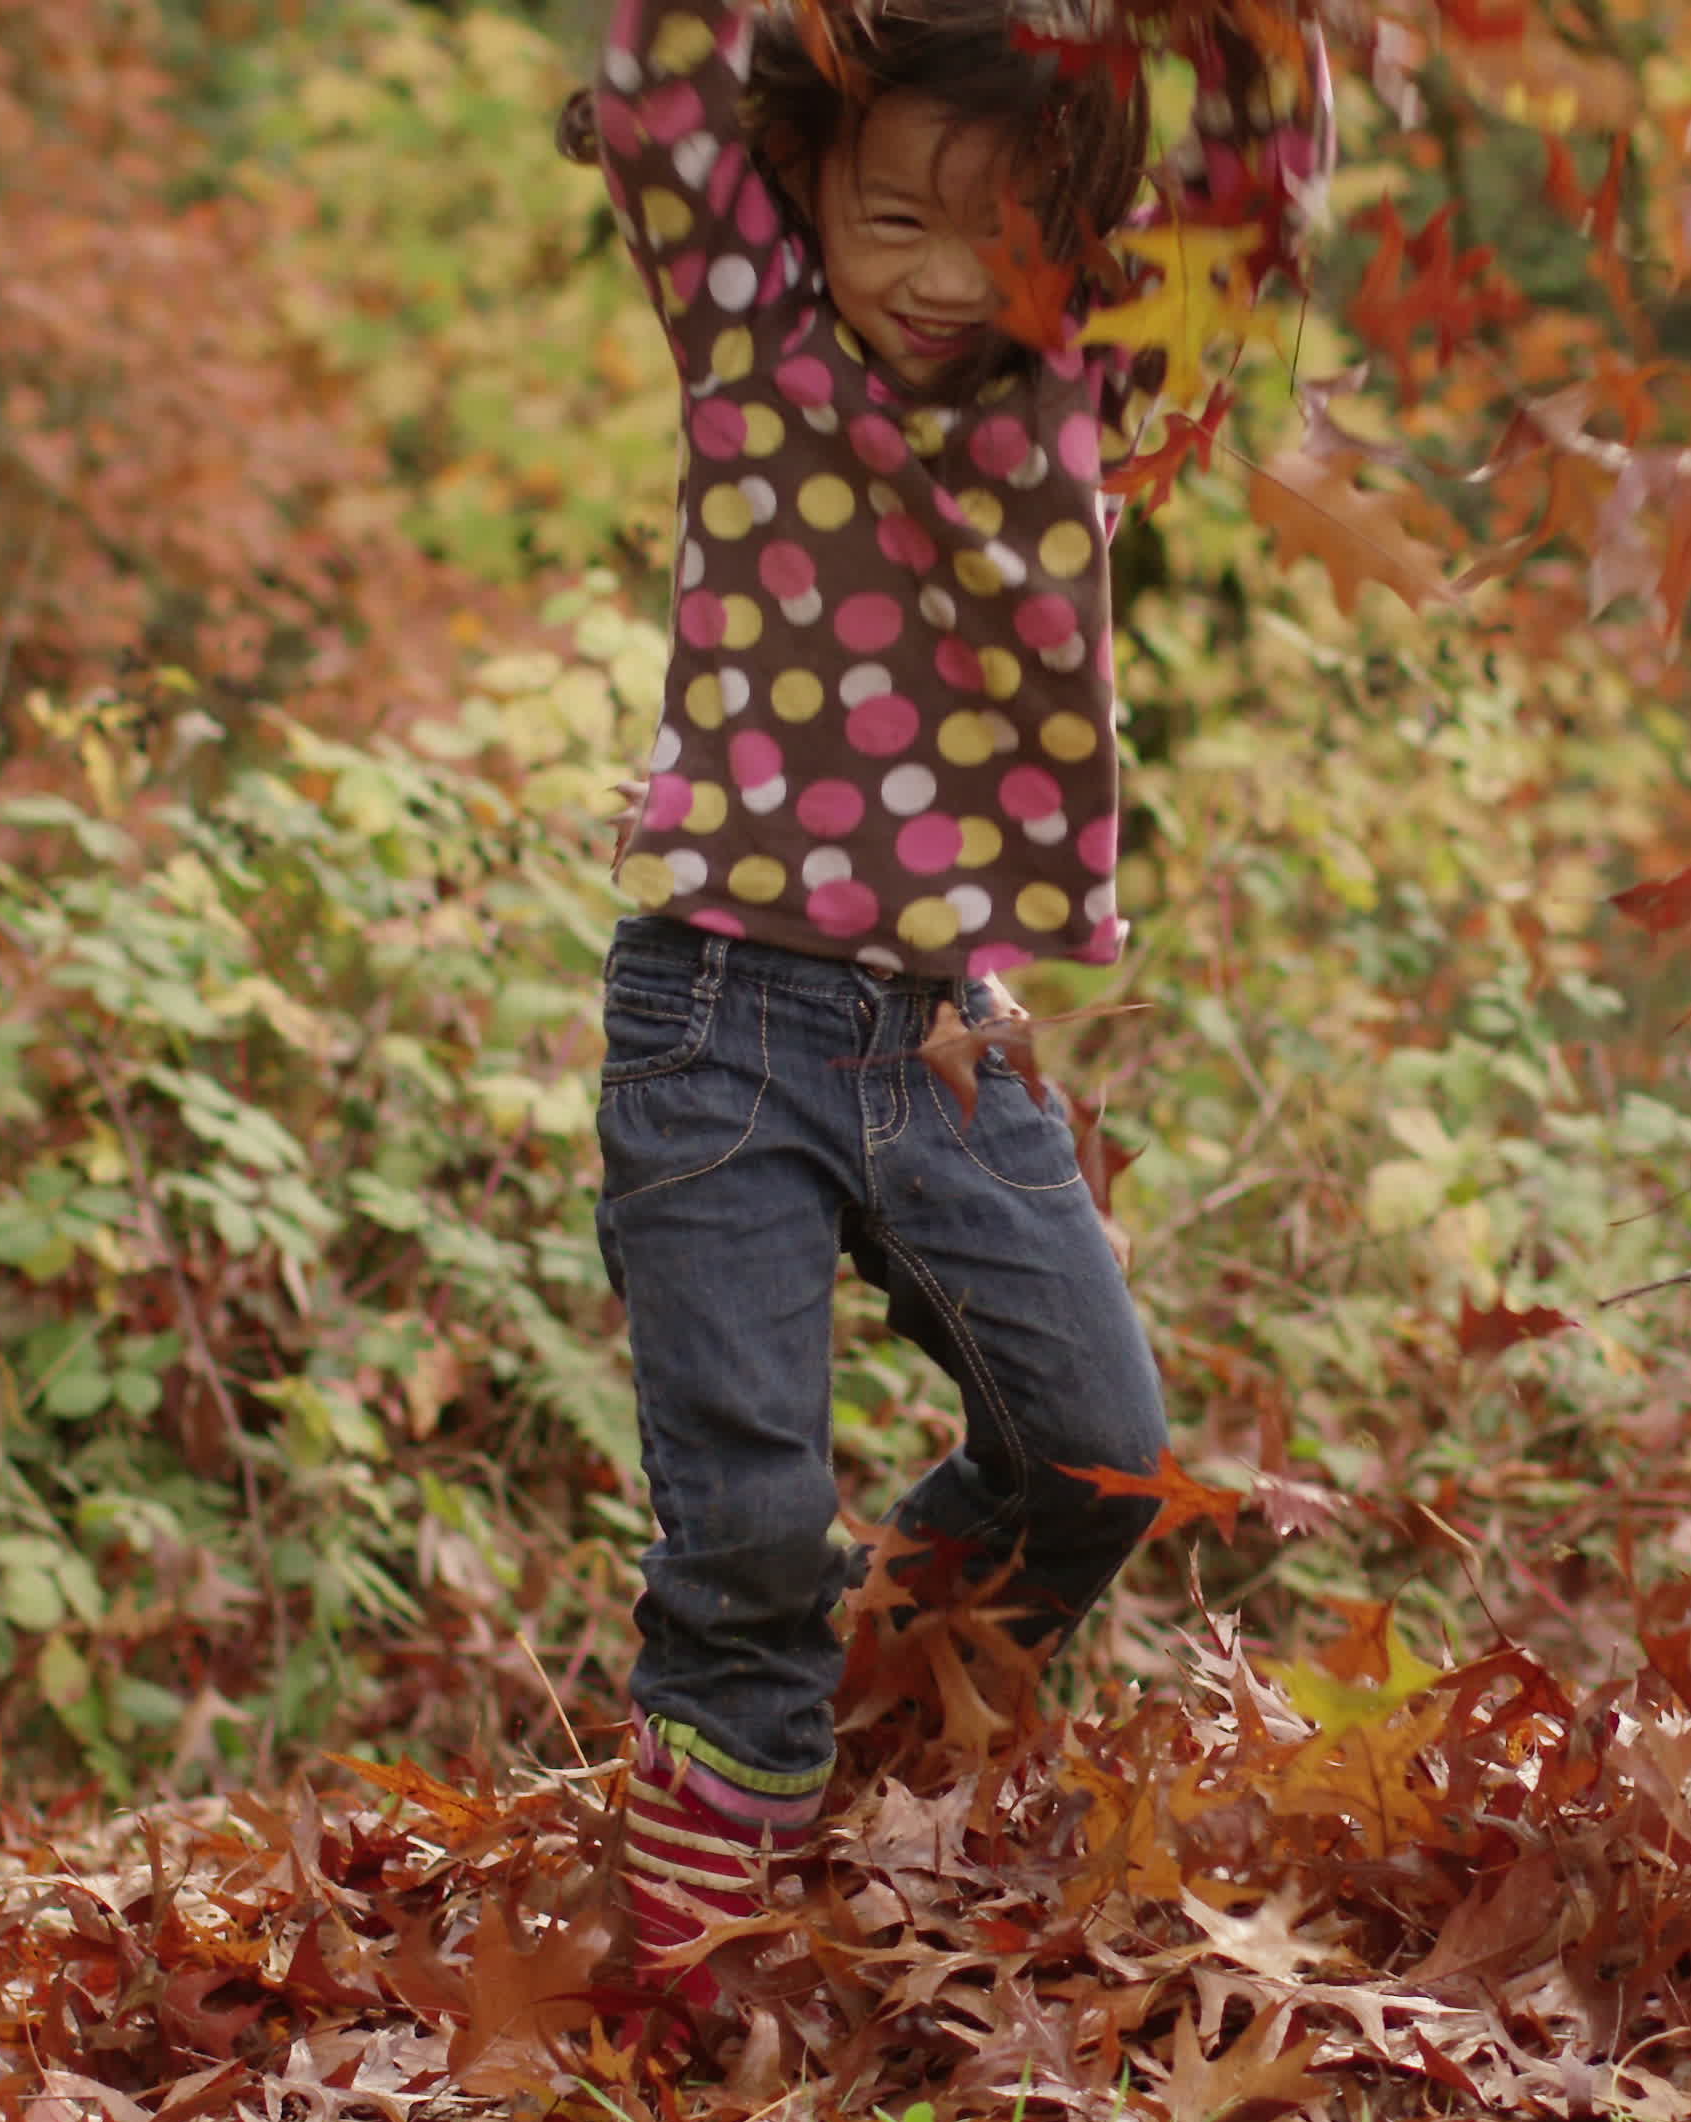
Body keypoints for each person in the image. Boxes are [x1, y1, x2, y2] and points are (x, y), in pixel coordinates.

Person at [554, 0, 1327, 2005]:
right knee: (743, 1524)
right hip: (718, 1017)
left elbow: (1254, 196)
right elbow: (658, 79)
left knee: (1093, 1456)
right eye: (892, 215)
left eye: (1000, 234)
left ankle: (860, 1711)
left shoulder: (1076, 374)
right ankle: (713, 1920)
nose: (936, 276)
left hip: (948, 1038)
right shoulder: (755, 332)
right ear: (804, 183)